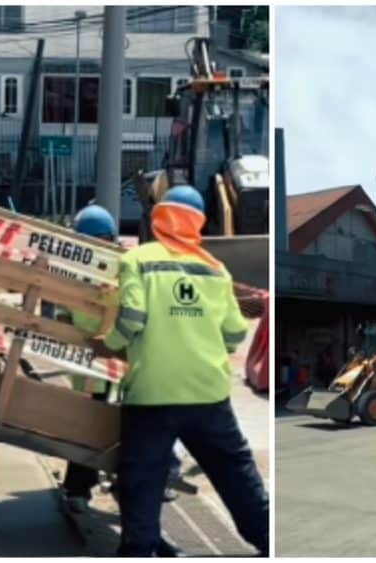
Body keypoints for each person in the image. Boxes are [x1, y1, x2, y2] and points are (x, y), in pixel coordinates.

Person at [105, 185, 268, 557]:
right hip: (208, 393)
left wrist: (111, 342)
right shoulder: (215, 270)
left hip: (152, 393)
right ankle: (267, 539)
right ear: (198, 223)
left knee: (143, 478)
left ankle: (139, 548)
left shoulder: (138, 259)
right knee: (235, 473)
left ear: (158, 217)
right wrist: (206, 348)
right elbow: (235, 332)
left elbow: (131, 319)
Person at [59, 207, 185, 529]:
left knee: (91, 425)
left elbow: (65, 314)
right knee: (122, 420)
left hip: (99, 359)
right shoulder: (126, 266)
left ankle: (82, 488)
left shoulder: (77, 269)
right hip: (112, 359)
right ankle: (103, 485)